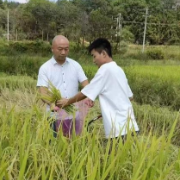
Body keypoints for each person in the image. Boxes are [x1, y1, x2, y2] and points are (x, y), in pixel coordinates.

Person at [56, 38, 139, 140]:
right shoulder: (118, 70)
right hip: (131, 127)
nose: (93, 60)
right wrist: (109, 110)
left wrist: (67, 102)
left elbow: (85, 93)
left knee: (114, 155)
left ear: (103, 54)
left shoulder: (105, 69)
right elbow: (130, 97)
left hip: (118, 130)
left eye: (94, 56)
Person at [37, 35, 92, 137]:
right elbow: (43, 92)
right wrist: (53, 104)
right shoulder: (45, 68)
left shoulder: (75, 65)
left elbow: (87, 86)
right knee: (54, 146)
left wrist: (88, 97)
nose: (63, 52)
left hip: (74, 115)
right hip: (54, 116)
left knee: (73, 146)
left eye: (66, 49)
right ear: (52, 49)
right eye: (60, 49)